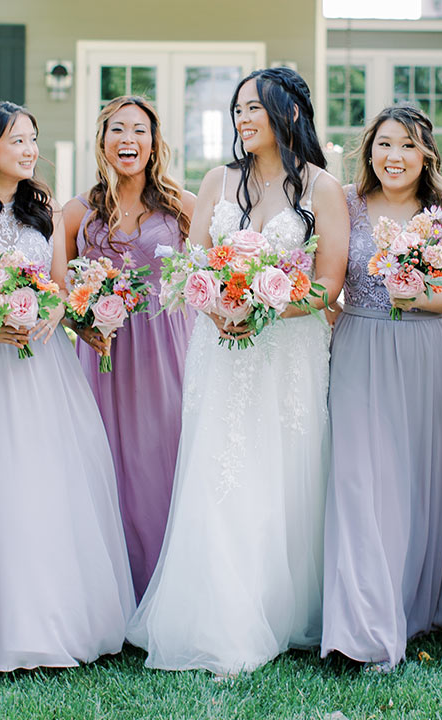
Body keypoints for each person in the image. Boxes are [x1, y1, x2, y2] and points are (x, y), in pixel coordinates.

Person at [126, 67, 349, 675]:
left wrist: (267, 306)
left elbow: (329, 284)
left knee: (280, 470)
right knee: (219, 471)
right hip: (217, 348)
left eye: (255, 108)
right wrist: (219, 305)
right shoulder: (218, 181)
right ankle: (216, 615)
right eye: (238, 110)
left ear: (291, 114)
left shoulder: (325, 189)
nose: (243, 120)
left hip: (287, 351)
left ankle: (280, 609)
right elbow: (189, 268)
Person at [0, 101, 134, 671]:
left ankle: (54, 618)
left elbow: (61, 289)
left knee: (46, 482)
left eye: (33, 139)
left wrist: (80, 319)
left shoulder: (44, 210)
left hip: (44, 366)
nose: (30, 149)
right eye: (18, 140)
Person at [320, 105, 442, 671]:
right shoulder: (345, 203)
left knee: (417, 482)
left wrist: (416, 298)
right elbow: (326, 275)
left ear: (426, 155)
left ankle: (415, 607)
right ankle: (361, 628)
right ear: (369, 151)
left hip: (425, 352)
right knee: (360, 482)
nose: (394, 157)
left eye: (408, 146)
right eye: (384, 144)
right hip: (360, 349)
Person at [63, 96, 196, 602]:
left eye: (139, 131)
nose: (128, 140)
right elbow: (58, 288)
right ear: (101, 142)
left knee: (164, 456)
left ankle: (166, 586)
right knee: (105, 461)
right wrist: (83, 321)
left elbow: (204, 268)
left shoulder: (179, 204)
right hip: (102, 355)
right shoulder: (78, 211)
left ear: (154, 142)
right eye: (117, 130)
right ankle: (110, 589)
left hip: (167, 348)